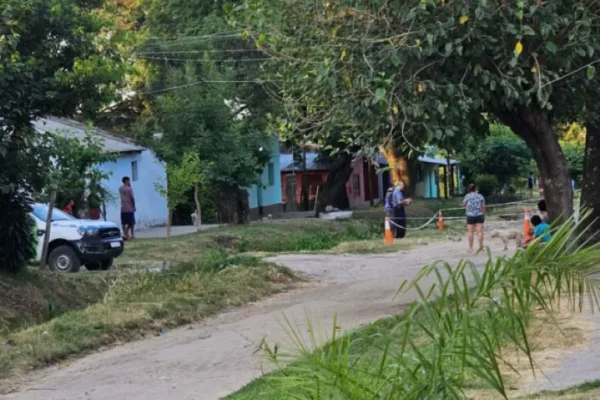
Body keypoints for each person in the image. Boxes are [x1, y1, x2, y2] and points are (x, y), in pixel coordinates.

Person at [463, 183, 486, 252]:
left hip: (470, 216)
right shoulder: (480, 196)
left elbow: (464, 205)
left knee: (470, 232)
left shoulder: (467, 196)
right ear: (475, 189)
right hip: (479, 215)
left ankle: (470, 248)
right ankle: (481, 247)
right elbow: (483, 207)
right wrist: (483, 213)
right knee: (480, 232)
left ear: (469, 189)